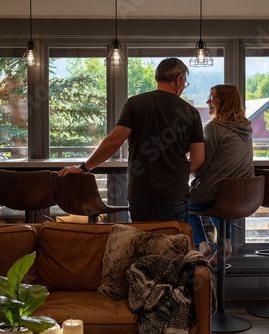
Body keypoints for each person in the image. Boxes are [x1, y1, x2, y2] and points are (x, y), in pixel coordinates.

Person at [59, 57, 205, 223]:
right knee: (172, 243)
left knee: (142, 244)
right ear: (179, 79)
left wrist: (84, 168)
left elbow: (114, 141)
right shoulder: (191, 113)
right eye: (185, 82)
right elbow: (198, 158)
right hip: (175, 194)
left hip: (141, 193)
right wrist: (176, 174)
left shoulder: (135, 104)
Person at [188, 84, 254, 264]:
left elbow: (200, 168)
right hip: (243, 197)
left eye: (212, 98)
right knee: (219, 195)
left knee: (181, 201)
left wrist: (188, 158)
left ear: (224, 102)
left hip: (216, 196)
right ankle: (225, 242)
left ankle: (202, 245)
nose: (208, 102)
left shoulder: (213, 128)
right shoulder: (246, 126)